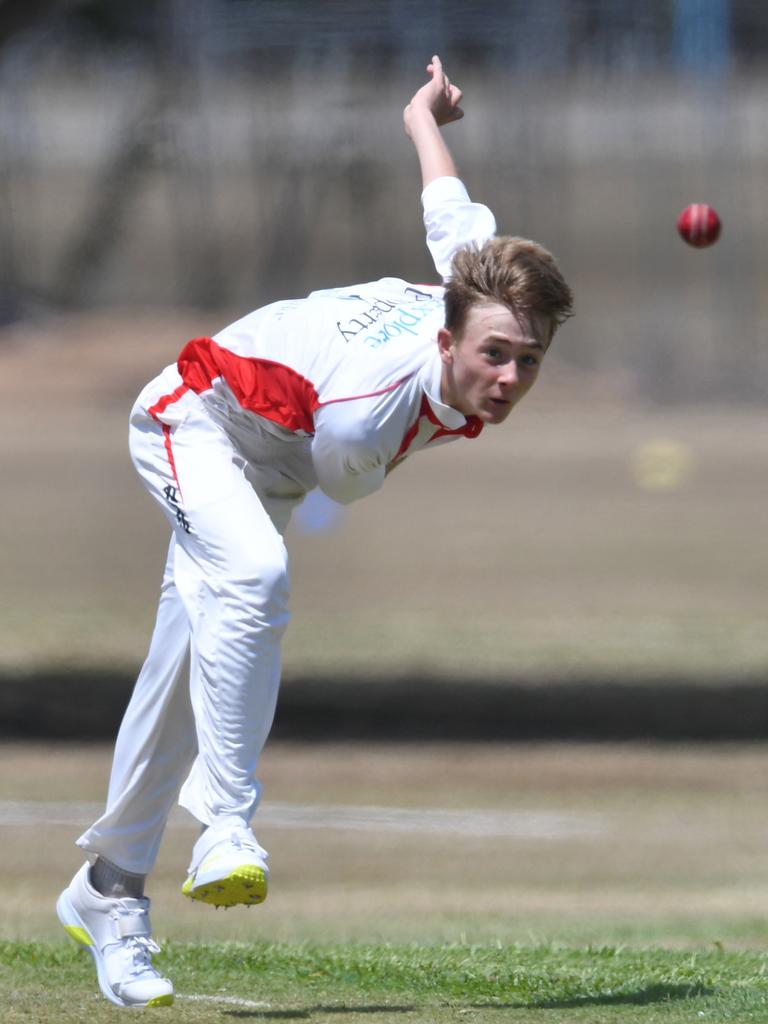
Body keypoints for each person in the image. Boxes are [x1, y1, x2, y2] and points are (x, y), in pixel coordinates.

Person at [56, 55, 573, 1008]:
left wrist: (425, 116)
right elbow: (335, 473)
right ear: (447, 337)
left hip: (275, 452)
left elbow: (449, 209)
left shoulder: (469, 278)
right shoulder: (364, 424)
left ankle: (109, 891)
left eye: (529, 362)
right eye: (494, 354)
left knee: (181, 680)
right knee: (252, 578)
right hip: (197, 421)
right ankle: (227, 826)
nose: (508, 378)